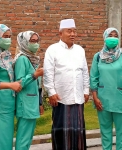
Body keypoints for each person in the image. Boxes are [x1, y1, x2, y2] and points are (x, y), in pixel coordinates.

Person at [43, 19, 89, 150]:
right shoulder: (52, 50)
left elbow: (85, 71)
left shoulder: (80, 50)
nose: (73, 34)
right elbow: (48, 73)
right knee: (61, 132)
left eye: (74, 31)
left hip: (78, 97)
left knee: (78, 131)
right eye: (69, 31)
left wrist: (86, 90)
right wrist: (51, 92)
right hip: (61, 98)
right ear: (60, 33)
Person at [90, 27, 122, 150]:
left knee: (121, 133)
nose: (113, 38)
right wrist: (95, 97)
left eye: (115, 35)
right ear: (104, 37)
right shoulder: (98, 57)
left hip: (119, 99)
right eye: (110, 35)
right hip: (102, 100)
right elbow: (93, 77)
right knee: (105, 132)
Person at [14, 31, 44, 150]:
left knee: (28, 137)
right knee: (23, 138)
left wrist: (40, 103)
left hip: (32, 103)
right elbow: (18, 83)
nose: (35, 44)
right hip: (25, 104)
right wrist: (34, 75)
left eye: (37, 41)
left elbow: (38, 85)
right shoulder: (22, 59)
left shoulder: (33, 59)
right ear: (24, 42)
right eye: (32, 41)